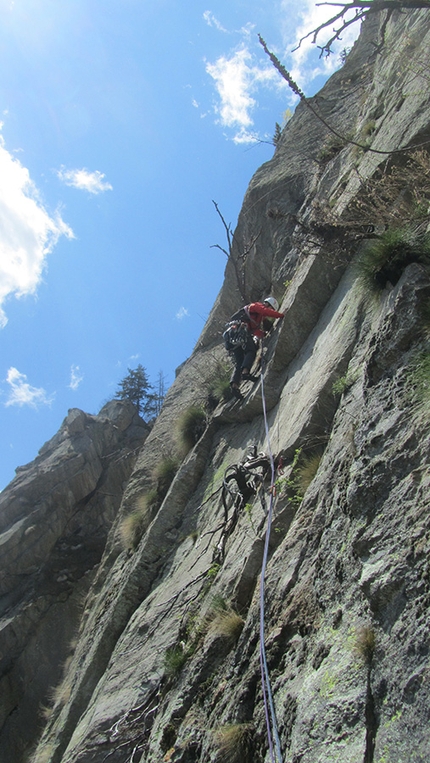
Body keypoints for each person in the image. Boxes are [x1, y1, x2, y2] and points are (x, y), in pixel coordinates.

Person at [225, 297, 284, 400]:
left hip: (232, 337)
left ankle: (234, 386)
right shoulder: (255, 306)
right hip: (240, 332)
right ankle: (245, 373)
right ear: (268, 304)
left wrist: (264, 334)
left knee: (240, 361)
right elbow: (264, 310)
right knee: (251, 351)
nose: (269, 311)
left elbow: (255, 330)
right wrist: (280, 315)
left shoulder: (256, 317)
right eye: (271, 308)